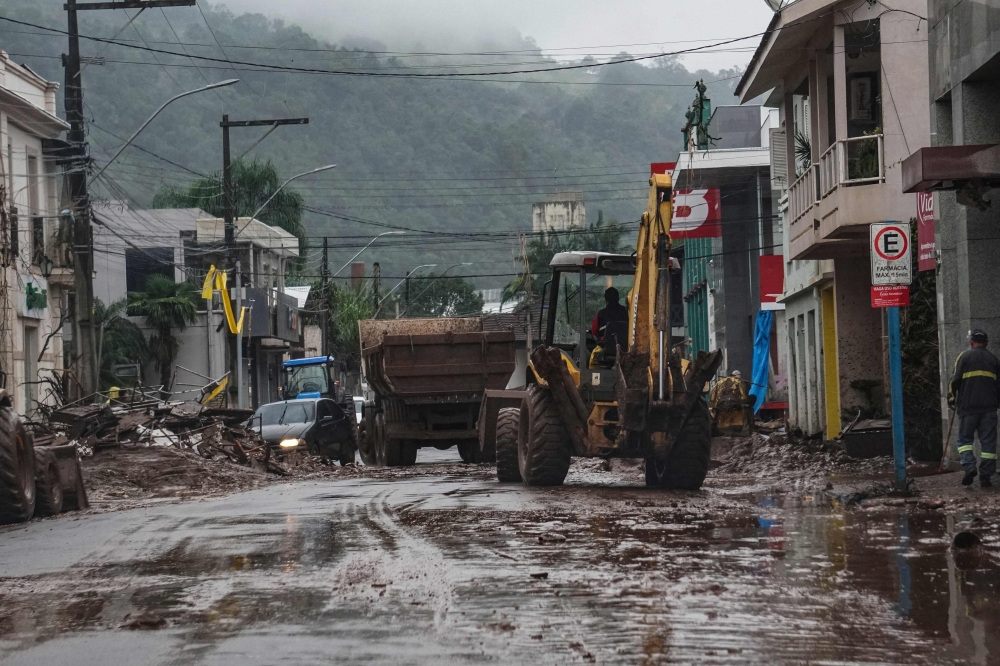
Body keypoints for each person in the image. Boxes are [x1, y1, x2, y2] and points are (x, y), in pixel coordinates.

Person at [949, 328, 1000, 488]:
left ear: (971, 341)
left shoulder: (963, 357)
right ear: (986, 343)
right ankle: (986, 476)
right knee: (988, 443)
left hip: (968, 406)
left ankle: (969, 466)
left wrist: (951, 398)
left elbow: (954, 380)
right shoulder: (994, 359)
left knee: (964, 439)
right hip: (989, 408)